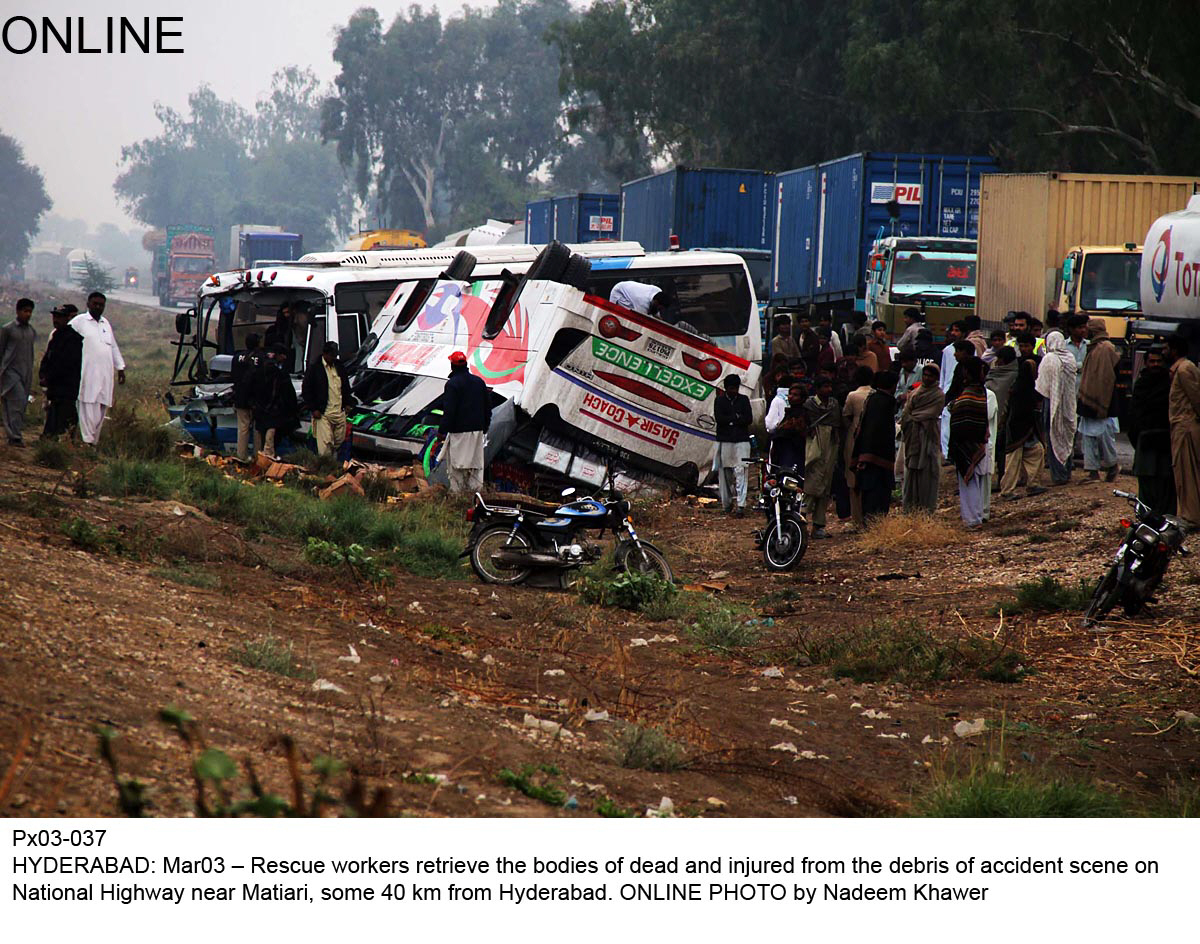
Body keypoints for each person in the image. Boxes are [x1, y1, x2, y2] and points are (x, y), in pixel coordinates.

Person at [69, 293, 125, 446]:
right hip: (87, 373)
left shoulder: (105, 324)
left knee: (101, 407)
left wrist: (120, 367)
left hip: (105, 375)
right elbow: (63, 337)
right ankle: (87, 441)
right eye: (95, 304)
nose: (98, 307)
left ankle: (93, 443)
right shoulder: (79, 322)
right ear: (88, 303)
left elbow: (113, 347)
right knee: (87, 405)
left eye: (101, 305)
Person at [1126, 346, 1176, 515]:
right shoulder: (1141, 384)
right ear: (1146, 363)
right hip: (1145, 438)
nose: (1155, 365)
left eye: (1158, 361)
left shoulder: (1170, 383)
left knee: (1165, 480)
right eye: (1152, 361)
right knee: (1146, 480)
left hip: (1164, 438)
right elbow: (1135, 414)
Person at [438, 350, 492, 494]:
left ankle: (458, 497)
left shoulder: (452, 385)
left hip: (459, 433)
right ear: (466, 364)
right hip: (477, 431)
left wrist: (442, 432)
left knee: (457, 467)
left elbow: (449, 412)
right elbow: (487, 408)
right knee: (475, 466)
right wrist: (485, 427)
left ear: (452, 365)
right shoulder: (479, 382)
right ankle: (476, 497)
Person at [1001, 336, 1048, 497]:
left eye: (1026, 345)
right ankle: (1007, 491)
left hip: (1028, 424)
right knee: (1013, 459)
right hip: (1017, 425)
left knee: (1036, 451)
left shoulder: (1035, 364)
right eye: (1021, 345)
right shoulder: (1019, 384)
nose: (1023, 348)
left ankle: (1033, 484)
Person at [1076, 318, 1121, 481]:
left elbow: (1108, 377)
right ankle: (1092, 470)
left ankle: (1112, 466)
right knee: (1088, 436)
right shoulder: (1094, 347)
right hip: (1088, 398)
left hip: (1104, 400)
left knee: (1104, 437)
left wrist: (1102, 399)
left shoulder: (1106, 348)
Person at [949, 357, 990, 527]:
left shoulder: (968, 393)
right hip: (978, 442)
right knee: (976, 481)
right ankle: (976, 516)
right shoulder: (980, 391)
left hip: (968, 444)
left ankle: (972, 519)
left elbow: (963, 419)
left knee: (969, 481)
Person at [853, 371, 898, 522]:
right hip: (876, 456)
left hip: (869, 454)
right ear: (893, 386)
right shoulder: (884, 402)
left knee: (871, 494)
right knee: (877, 495)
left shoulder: (873, 399)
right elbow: (873, 431)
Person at [900, 364, 945, 514]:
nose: (926, 378)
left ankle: (926, 509)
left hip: (928, 436)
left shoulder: (938, 395)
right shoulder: (915, 393)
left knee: (927, 471)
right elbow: (906, 413)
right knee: (911, 472)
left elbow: (929, 413)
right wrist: (911, 418)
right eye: (925, 375)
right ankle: (910, 508)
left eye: (930, 376)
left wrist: (913, 417)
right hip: (912, 437)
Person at [1165, 334, 1200, 528]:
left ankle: (1191, 517)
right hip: (1181, 426)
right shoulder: (1178, 370)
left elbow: (1196, 397)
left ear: (1174, 350)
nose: (1164, 352)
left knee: (1188, 473)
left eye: (1166, 348)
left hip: (1186, 427)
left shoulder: (1186, 369)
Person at [1036, 331, 1079, 489]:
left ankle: (1058, 475)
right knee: (1066, 438)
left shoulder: (1049, 359)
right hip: (1068, 404)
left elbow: (1042, 386)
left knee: (1053, 437)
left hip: (1051, 403)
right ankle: (1066, 472)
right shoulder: (1070, 358)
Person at [803, 376, 842, 538]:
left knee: (826, 484)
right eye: (825, 386)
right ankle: (801, 521)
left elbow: (837, 425)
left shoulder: (834, 405)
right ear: (818, 389)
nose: (828, 390)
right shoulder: (809, 406)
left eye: (829, 386)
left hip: (831, 445)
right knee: (811, 484)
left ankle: (819, 525)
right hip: (815, 442)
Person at [303, 341, 355, 459]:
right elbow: (307, 390)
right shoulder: (315, 369)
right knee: (325, 443)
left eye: (335, 355)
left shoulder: (339, 367)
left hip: (339, 411)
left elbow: (345, 387)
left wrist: (348, 403)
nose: (333, 358)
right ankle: (325, 467)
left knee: (339, 440)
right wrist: (314, 408)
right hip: (323, 413)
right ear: (325, 354)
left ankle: (332, 463)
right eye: (331, 355)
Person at [39, 304, 83, 438]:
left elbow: (65, 365)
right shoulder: (56, 336)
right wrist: (43, 374)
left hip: (66, 388)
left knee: (64, 419)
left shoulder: (73, 339)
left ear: (66, 319)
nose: (56, 320)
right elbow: (47, 358)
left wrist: (50, 377)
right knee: (53, 415)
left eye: (59, 317)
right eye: (54, 317)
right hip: (55, 388)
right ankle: (49, 440)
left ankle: (60, 445)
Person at [841, 366, 876, 529]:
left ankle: (856, 520)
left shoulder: (852, 396)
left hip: (853, 438)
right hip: (872, 439)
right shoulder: (875, 394)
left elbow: (846, 417)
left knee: (853, 479)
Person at [0, 298, 37, 446]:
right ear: (17, 311)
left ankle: (14, 434)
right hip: (10, 373)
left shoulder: (31, 331)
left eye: (30, 312)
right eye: (25, 311)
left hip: (25, 373)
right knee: (16, 401)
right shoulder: (8, 329)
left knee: (20, 405)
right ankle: (14, 436)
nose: (27, 314)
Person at [714, 375, 752, 516]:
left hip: (741, 441)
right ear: (726, 388)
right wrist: (736, 418)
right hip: (725, 441)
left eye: (735, 388)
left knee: (742, 471)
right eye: (731, 388)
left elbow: (748, 419)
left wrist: (730, 420)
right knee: (725, 474)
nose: (733, 391)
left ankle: (741, 505)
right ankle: (727, 504)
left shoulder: (743, 400)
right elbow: (720, 419)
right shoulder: (719, 400)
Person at [251, 344, 299, 456]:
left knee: (263, 433)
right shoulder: (277, 371)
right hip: (272, 409)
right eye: (283, 355)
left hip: (261, 407)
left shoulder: (259, 368)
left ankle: (261, 457)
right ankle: (267, 457)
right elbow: (283, 391)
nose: (285, 358)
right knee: (270, 433)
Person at [984, 344, 1018, 484]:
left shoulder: (1014, 375)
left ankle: (1002, 480)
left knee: (1002, 449)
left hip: (1006, 417)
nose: (997, 362)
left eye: (999, 360)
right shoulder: (994, 373)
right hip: (991, 416)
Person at [231, 333, 264, 461]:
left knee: (243, 428)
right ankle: (258, 457)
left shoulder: (237, 357)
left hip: (240, 398)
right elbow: (262, 379)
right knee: (257, 430)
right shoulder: (261, 358)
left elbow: (233, 376)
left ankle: (241, 456)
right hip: (257, 399)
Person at [767, 381, 808, 472]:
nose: (791, 397)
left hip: (794, 453)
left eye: (795, 395)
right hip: (782, 453)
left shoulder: (803, 414)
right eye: (790, 394)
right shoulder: (789, 413)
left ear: (802, 398)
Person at [938, 321, 965, 456]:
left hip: (963, 392)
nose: (954, 333)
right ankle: (946, 454)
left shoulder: (970, 350)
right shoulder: (948, 350)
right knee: (946, 424)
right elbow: (943, 373)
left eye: (957, 330)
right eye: (953, 330)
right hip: (948, 391)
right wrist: (942, 391)